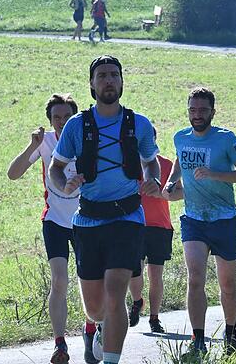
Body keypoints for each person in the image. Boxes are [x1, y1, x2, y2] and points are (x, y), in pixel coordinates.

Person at [49, 55, 161, 364]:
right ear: (92, 84)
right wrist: (64, 186)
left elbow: (151, 161)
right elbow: (56, 168)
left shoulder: (138, 123)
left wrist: (153, 179)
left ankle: (111, 359)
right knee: (95, 307)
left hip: (127, 218)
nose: (108, 80)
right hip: (88, 220)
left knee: (115, 293)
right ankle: (98, 327)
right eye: (102, 76)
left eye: (114, 75)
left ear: (122, 81)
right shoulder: (76, 125)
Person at [7, 94, 100, 364]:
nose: (61, 122)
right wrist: (30, 146)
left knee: (88, 280)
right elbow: (13, 174)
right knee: (59, 280)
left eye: (66, 117)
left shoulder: (86, 139)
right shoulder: (45, 141)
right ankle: (60, 345)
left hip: (86, 219)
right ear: (50, 120)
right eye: (56, 117)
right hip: (55, 222)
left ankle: (91, 331)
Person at [162, 87, 236, 359]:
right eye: (193, 110)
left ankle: (231, 333)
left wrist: (214, 174)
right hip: (194, 220)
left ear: (213, 112)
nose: (197, 115)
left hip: (225, 220)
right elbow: (180, 159)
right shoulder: (181, 137)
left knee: (227, 284)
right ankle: (198, 338)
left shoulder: (226, 139)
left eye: (202, 110)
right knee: (195, 279)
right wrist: (171, 180)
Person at [128, 127, 174, 334]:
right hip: (135, 225)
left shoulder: (166, 165)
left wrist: (162, 194)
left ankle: (154, 319)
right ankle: (137, 302)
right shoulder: (127, 165)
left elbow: (181, 192)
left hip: (160, 226)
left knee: (156, 275)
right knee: (134, 270)